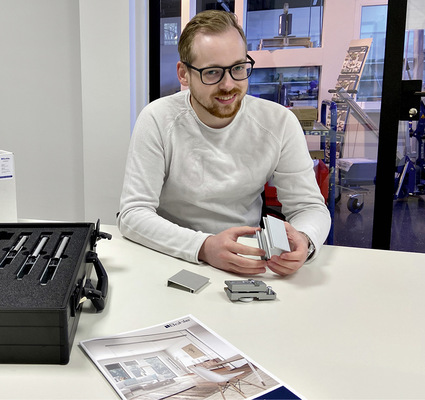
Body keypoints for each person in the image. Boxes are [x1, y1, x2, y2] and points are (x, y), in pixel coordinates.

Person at [117, 10, 331, 276]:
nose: (229, 85)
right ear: (184, 74)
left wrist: (305, 239)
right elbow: (133, 213)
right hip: (171, 254)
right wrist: (204, 246)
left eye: (238, 68)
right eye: (212, 72)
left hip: (246, 257)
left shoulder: (278, 122)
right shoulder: (158, 119)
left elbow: (309, 207)